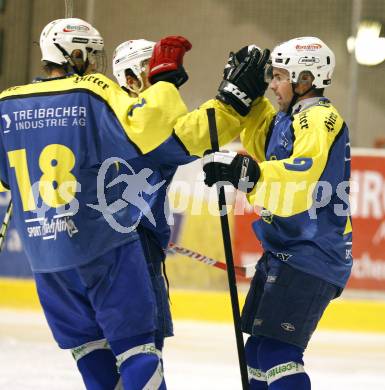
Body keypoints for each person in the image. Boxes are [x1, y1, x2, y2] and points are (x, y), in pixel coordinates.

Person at [0, 17, 271, 389]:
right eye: (146, 68)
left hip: (47, 257)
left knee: (92, 354)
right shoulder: (102, 104)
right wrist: (229, 102)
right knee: (139, 354)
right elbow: (179, 138)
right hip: (114, 248)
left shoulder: (8, 103)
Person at [203, 37, 352, 389]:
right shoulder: (290, 119)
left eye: (280, 76)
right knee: (256, 353)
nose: (272, 84)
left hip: (311, 255)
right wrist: (245, 97)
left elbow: (302, 172)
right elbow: (262, 137)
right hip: (287, 253)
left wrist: (250, 175)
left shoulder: (319, 118)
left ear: (306, 78)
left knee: (275, 354)